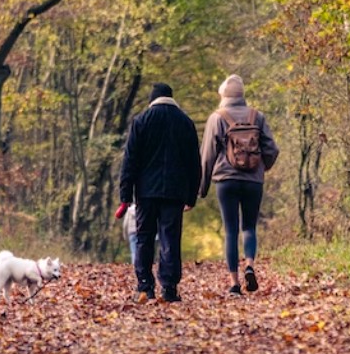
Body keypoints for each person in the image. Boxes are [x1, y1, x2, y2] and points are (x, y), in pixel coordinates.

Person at [117, 82, 201, 302]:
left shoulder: (141, 121)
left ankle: (145, 286)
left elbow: (130, 160)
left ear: (152, 99)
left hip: (146, 191)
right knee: (170, 238)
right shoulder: (185, 123)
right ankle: (170, 287)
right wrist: (192, 195)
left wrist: (125, 193)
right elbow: (194, 163)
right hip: (175, 191)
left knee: (144, 237)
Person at [199, 74, 279, 295]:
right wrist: (261, 169)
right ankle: (250, 265)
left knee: (231, 230)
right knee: (249, 227)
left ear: (223, 95)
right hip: (253, 180)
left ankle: (234, 283)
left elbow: (207, 156)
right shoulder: (257, 116)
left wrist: (201, 189)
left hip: (226, 181)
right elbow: (272, 149)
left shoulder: (217, 117)